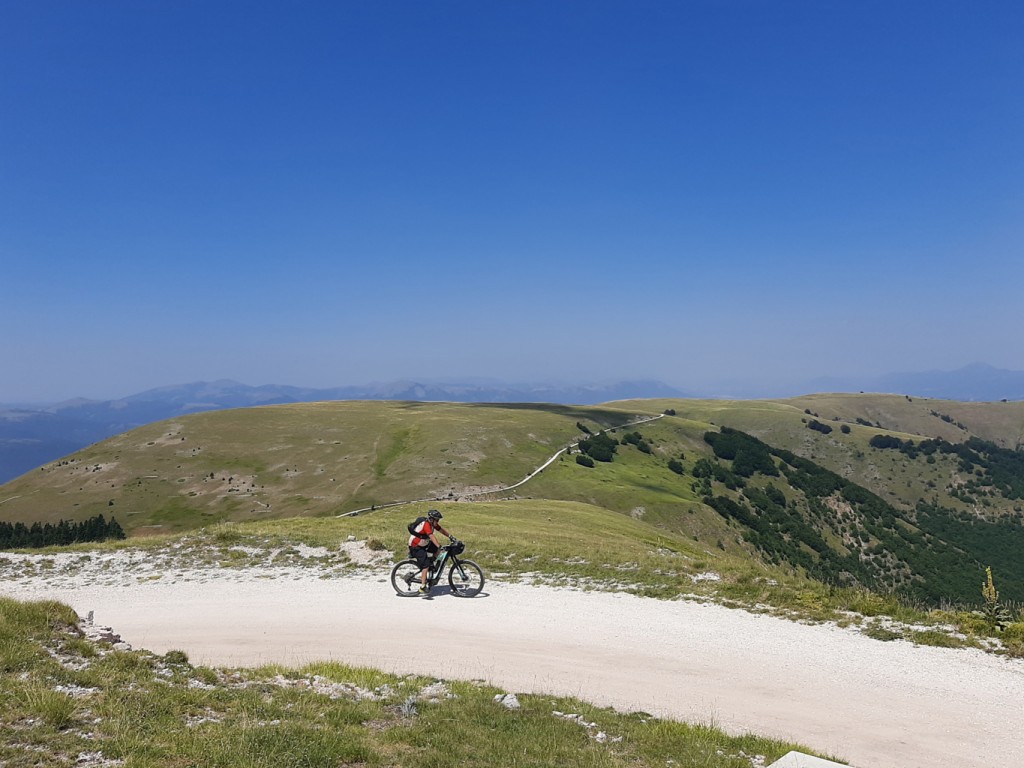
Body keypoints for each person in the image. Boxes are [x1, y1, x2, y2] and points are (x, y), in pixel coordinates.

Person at [408, 509, 453, 596]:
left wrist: (450, 536)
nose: (438, 521)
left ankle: (431, 565)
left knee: (437, 550)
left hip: (424, 543)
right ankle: (423, 587)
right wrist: (438, 545)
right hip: (416, 546)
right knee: (425, 565)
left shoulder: (432, 524)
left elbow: (440, 529)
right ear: (432, 519)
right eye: (437, 519)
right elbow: (431, 536)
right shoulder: (426, 524)